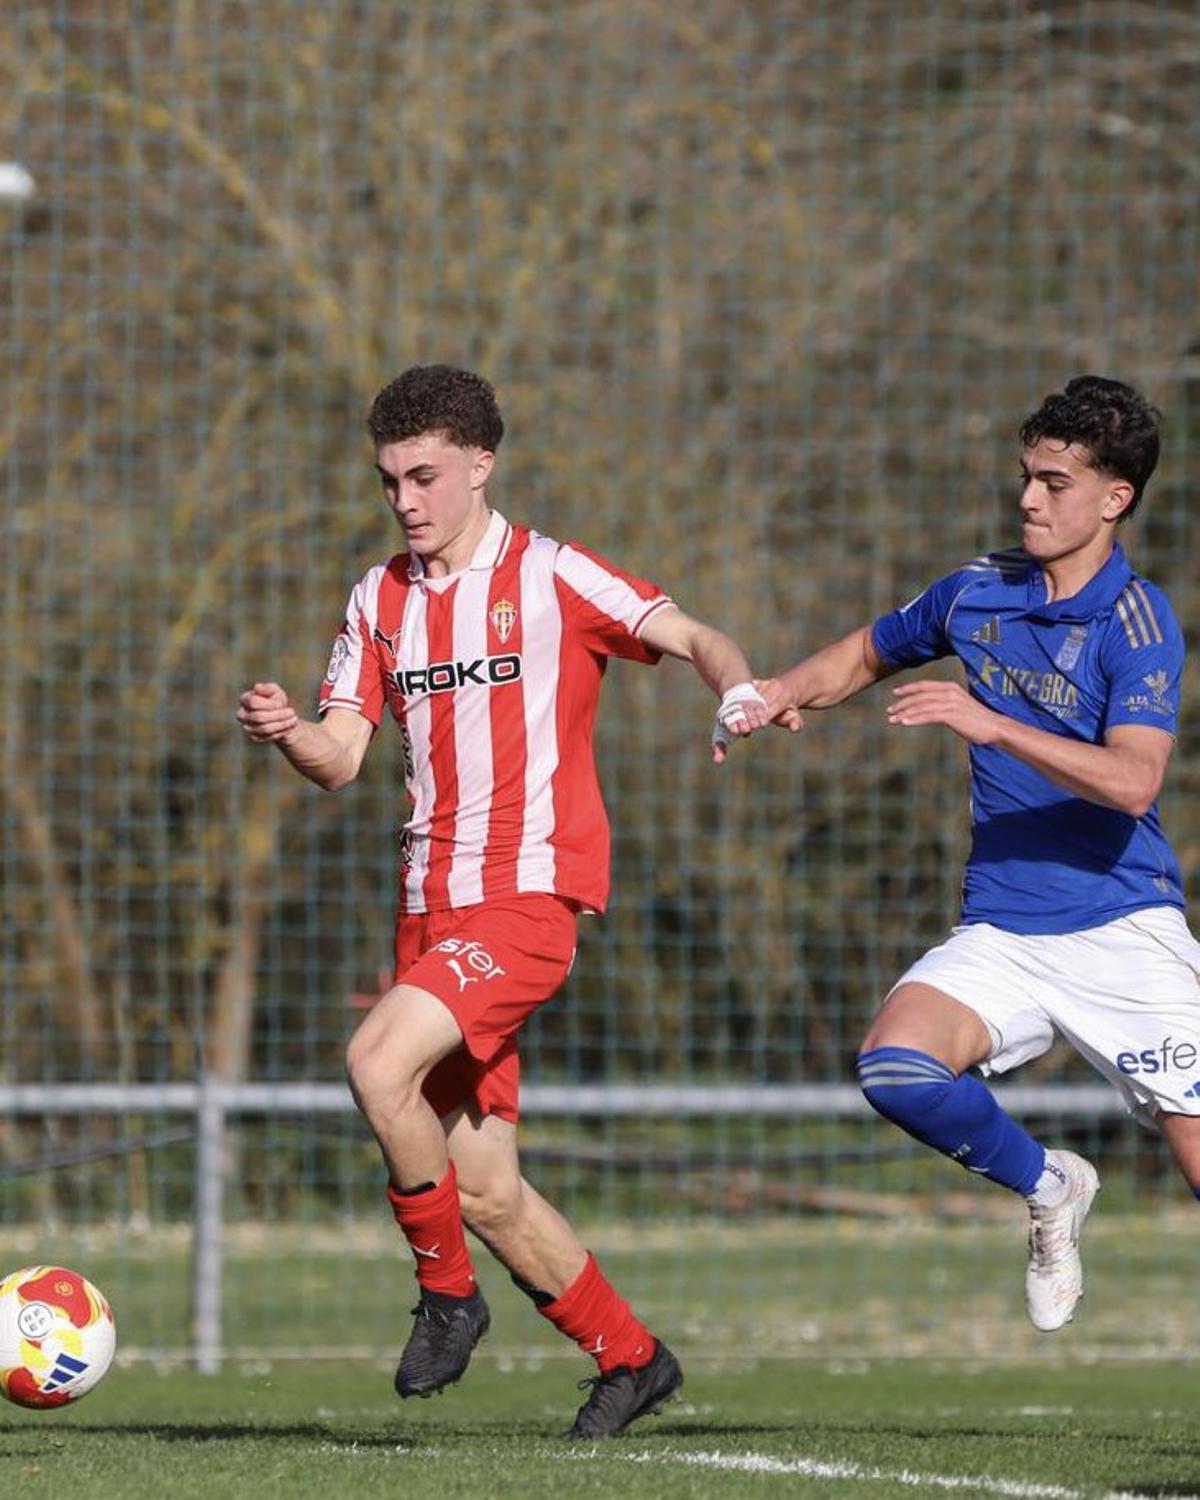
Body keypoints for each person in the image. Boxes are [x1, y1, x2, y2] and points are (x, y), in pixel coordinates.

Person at [237, 364, 769, 1436]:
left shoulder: (558, 577)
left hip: (529, 903)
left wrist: (742, 687)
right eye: (390, 481)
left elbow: (697, 635)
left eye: (425, 476)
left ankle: (447, 1297)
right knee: (481, 1190)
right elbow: (342, 757)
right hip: (430, 916)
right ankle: (632, 1359)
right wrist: (292, 729)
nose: (406, 501)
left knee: (373, 1061)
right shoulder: (377, 599)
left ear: (481, 465)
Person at [759, 375, 1200, 1332]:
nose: (1029, 499)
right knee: (896, 1069)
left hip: (1124, 928)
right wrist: (776, 690)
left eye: (1054, 483)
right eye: (1025, 478)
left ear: (1114, 498)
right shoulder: (977, 590)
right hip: (1002, 930)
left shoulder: (1139, 622)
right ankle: (1050, 1187)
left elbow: (1134, 781)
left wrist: (991, 725)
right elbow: (868, 653)